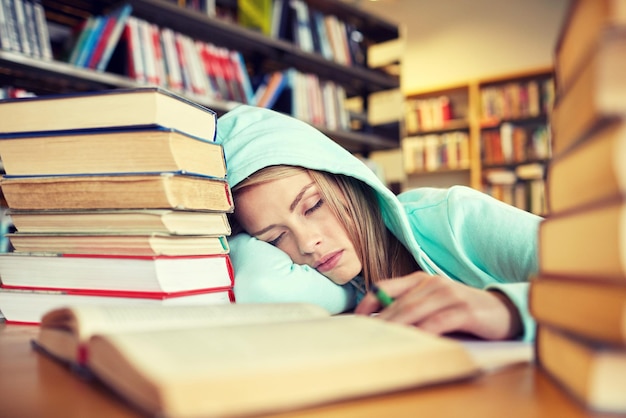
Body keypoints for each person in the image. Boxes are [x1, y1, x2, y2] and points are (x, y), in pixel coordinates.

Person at [215, 104, 542, 341]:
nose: (306, 244)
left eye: (313, 205)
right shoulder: (343, 280)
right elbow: (260, 286)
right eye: (274, 239)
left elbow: (593, 279)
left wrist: (507, 309)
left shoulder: (453, 215)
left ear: (346, 180)